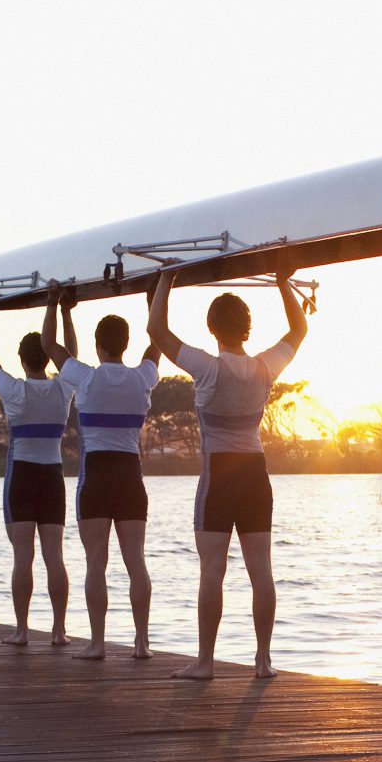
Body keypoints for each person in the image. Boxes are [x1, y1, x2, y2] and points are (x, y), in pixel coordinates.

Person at [146, 268, 309, 680]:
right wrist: (283, 283)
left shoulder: (207, 366)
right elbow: (299, 329)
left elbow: (157, 330)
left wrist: (166, 279)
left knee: (212, 570)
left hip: (218, 476)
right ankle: (263, 660)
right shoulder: (264, 368)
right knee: (262, 571)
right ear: (247, 328)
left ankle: (205, 662)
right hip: (256, 475)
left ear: (212, 328)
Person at [53, 285, 160, 660]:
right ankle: (142, 643)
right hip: (131, 477)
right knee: (136, 562)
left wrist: (56, 305)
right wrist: (155, 295)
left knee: (96, 562)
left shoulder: (86, 378)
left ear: (98, 346)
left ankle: (97, 644)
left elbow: (53, 347)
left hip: (96, 476)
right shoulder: (142, 377)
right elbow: (157, 340)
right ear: (125, 344)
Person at [0, 300, 77, 647]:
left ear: (22, 360)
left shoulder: (15, 390)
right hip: (52, 478)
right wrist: (65, 312)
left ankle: (21, 631)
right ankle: (59, 631)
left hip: (21, 476)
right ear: (49, 359)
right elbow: (72, 357)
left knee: (24, 556)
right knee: (55, 557)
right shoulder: (63, 388)